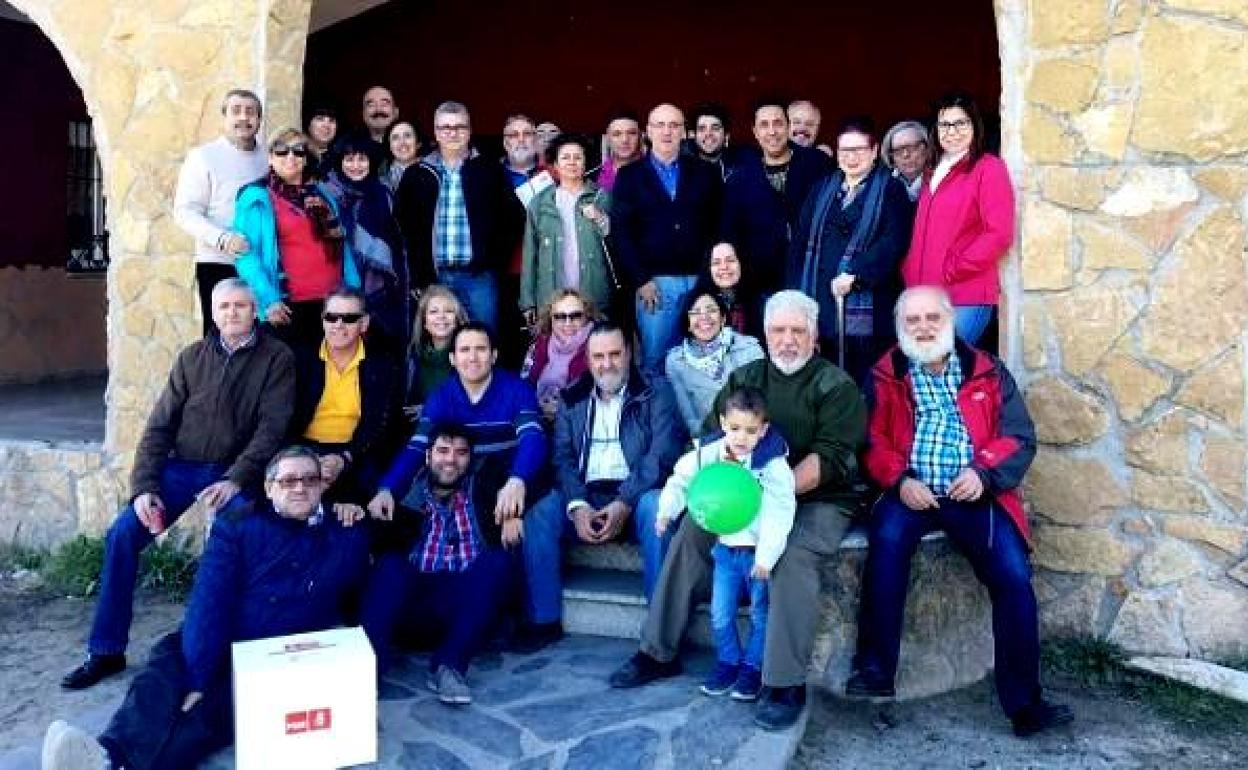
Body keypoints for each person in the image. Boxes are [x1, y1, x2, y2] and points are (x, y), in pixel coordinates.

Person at [608, 291, 866, 732]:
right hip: (743, 491)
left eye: (797, 331)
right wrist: (723, 494)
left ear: (814, 335)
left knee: (791, 555)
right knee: (692, 530)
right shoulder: (747, 377)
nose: (787, 340)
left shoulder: (835, 385)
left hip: (817, 499)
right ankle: (657, 650)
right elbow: (714, 437)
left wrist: (763, 497)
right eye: (778, 330)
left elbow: (829, 459)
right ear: (765, 334)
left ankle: (784, 682)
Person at [41, 446, 371, 770]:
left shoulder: (346, 531)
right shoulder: (238, 526)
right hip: (221, 633)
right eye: (288, 481)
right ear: (269, 488)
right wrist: (198, 676)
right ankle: (108, 752)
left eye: (310, 479)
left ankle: (113, 765)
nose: (300, 487)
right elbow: (209, 602)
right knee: (161, 676)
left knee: (206, 714)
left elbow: (370, 569)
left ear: (323, 485)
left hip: (275, 656)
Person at [850, 286, 1073, 737]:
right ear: (900, 327)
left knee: (1013, 576)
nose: (923, 327)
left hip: (973, 492)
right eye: (913, 320)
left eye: (932, 317)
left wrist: (982, 473)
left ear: (950, 320)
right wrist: (900, 480)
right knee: (886, 545)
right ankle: (875, 670)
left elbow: (1017, 436)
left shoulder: (988, 371)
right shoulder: (884, 373)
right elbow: (871, 441)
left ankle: (1025, 705)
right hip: (911, 491)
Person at [60, 279, 295, 691]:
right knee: (122, 535)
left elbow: (272, 429)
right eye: (224, 306)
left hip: (237, 473)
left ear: (255, 310)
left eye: (241, 305)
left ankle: (223, 651)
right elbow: (159, 426)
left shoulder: (277, 358)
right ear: (214, 312)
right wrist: (145, 488)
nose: (232, 313)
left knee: (233, 547)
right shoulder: (193, 357)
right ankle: (106, 650)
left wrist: (236, 478)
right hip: (181, 469)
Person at [521, 322, 686, 650]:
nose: (607, 364)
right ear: (588, 358)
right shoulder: (572, 396)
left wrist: (624, 502)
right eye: (598, 356)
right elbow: (562, 458)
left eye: (615, 354)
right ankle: (544, 621)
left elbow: (661, 456)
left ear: (629, 354)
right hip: (587, 494)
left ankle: (659, 636)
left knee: (658, 507)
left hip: (636, 495)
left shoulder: (657, 392)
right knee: (541, 512)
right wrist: (577, 505)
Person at [655, 387, 795, 702]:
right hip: (725, 552)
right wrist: (666, 512)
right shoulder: (709, 454)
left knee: (760, 614)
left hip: (757, 556)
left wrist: (767, 557)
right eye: (734, 428)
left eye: (751, 430)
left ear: (763, 430)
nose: (741, 437)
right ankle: (728, 661)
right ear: (722, 423)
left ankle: (752, 668)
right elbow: (681, 481)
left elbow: (781, 510)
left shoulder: (771, 465)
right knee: (720, 613)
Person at [361, 426, 519, 705]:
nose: (451, 460)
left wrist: (515, 512)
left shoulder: (486, 488)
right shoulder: (403, 493)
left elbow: (539, 479)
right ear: (427, 456)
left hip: (464, 603)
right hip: (414, 600)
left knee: (497, 561)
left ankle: (449, 666)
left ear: (470, 459)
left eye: (461, 453)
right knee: (390, 566)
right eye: (443, 451)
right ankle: (368, 670)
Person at [369, 322, 546, 547]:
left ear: (494, 356)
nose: (472, 357)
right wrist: (388, 488)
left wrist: (517, 480)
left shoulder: (517, 390)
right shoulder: (441, 396)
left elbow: (533, 439)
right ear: (452, 358)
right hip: (462, 482)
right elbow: (418, 446)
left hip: (508, 478)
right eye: (464, 350)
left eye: (481, 349)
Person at [791, 116, 913, 386]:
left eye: (859, 149)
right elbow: (800, 243)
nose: (851, 157)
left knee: (864, 377)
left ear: (874, 151)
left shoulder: (891, 190)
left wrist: (856, 274)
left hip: (867, 304)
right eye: (845, 150)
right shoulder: (822, 188)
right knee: (823, 376)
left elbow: (894, 241)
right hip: (821, 300)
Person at [612, 102, 723, 378]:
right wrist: (640, 279)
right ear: (648, 131)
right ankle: (658, 408)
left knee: (701, 358)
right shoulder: (629, 176)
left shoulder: (705, 172)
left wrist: (709, 277)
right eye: (659, 125)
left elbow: (718, 226)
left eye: (674, 125)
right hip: (655, 286)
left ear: (684, 132)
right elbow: (622, 232)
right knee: (656, 362)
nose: (667, 131)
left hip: (699, 281)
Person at [394, 101, 525, 331]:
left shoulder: (489, 170)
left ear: (470, 130)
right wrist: (419, 273)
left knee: (483, 338)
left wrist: (491, 261)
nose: (453, 133)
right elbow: (403, 227)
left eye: (460, 127)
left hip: (479, 279)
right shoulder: (417, 174)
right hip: (434, 278)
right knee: (437, 342)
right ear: (436, 132)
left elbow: (512, 219)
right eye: (446, 127)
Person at [902, 91, 1015, 349]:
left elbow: (999, 233)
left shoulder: (988, 168)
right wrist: (909, 270)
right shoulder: (932, 171)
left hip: (966, 294)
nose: (951, 131)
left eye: (960, 123)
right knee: (929, 367)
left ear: (975, 126)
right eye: (944, 124)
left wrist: (955, 266)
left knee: (943, 359)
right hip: (926, 296)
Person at [233, 127, 363, 352]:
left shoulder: (322, 196)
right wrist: (268, 299)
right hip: (287, 308)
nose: (290, 156)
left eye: (298, 151)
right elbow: (246, 255)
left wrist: (353, 294)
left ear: (305, 158)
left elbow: (343, 248)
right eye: (282, 151)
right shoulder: (257, 197)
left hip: (332, 307)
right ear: (270, 158)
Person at [287, 288, 404, 507]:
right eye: (331, 317)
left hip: (356, 452)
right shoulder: (300, 361)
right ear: (322, 320)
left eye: (349, 318)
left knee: (359, 507)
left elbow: (380, 424)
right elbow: (283, 418)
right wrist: (305, 458)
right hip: (303, 448)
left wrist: (345, 457)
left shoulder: (382, 365)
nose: (338, 325)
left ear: (364, 323)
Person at [172, 89, 268, 336]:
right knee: (221, 336)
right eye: (236, 111)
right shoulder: (203, 157)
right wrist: (223, 239)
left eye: (251, 112)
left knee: (261, 337)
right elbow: (185, 211)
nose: (243, 117)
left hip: (261, 264)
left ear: (259, 119)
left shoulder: (269, 158)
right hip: (218, 262)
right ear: (224, 117)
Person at [721, 99, 832, 300]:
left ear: (788, 127)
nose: (772, 131)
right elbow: (731, 233)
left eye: (778, 123)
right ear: (755, 132)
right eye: (764, 125)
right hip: (760, 287)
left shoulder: (818, 165)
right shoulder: (739, 179)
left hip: (813, 279)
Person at [324, 133, 409, 351]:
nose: (356, 165)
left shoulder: (384, 194)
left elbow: (396, 241)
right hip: (337, 281)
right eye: (349, 159)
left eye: (362, 159)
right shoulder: (326, 194)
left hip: (381, 288)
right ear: (340, 161)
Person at [520, 134, 614, 320]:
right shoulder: (540, 204)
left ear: (585, 163)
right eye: (565, 157)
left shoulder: (602, 198)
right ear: (555, 164)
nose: (572, 162)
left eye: (578, 157)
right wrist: (527, 301)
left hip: (594, 292)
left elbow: (617, 244)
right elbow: (530, 255)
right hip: (551, 295)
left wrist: (601, 218)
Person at [665, 290, 764, 438]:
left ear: (723, 318)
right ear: (687, 323)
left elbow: (763, 403)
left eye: (711, 310)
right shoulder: (675, 362)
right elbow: (689, 418)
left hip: (751, 435)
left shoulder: (750, 348)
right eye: (695, 312)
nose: (704, 317)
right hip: (708, 438)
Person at [520, 288, 597, 421]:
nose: (568, 323)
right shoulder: (538, 345)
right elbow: (523, 385)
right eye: (560, 316)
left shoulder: (598, 345)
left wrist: (561, 410)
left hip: (578, 421)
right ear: (550, 319)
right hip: (536, 417)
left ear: (587, 316)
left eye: (576, 315)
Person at [405, 285, 468, 419]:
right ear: (424, 322)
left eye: (449, 311)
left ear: (457, 320)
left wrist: (432, 409)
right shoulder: (413, 357)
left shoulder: (469, 357)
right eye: (434, 312)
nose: (441, 316)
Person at [692, 242, 763, 339]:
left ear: (741, 263)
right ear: (708, 269)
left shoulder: (760, 303)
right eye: (716, 263)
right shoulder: (694, 303)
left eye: (730, 260)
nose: (724, 267)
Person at [879, 120, 931, 202]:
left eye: (912, 147)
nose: (905, 155)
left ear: (927, 148)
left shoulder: (941, 180)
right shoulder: (883, 187)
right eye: (898, 150)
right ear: (891, 158)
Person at [593, 109, 643, 193]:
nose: (624, 140)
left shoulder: (656, 175)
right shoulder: (591, 178)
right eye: (617, 134)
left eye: (631, 133)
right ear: (608, 138)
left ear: (640, 136)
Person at [685, 102, 734, 179]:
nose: (708, 134)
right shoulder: (682, 171)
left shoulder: (744, 164)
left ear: (726, 135)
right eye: (702, 129)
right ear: (693, 135)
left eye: (715, 128)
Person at [380, 119, 425, 194]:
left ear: (418, 143)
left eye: (407, 136)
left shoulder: (434, 171)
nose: (402, 142)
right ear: (390, 146)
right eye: (395, 138)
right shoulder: (381, 179)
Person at [361, 85, 399, 162]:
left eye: (384, 104)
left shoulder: (415, 149)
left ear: (396, 112)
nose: (378, 109)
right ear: (363, 114)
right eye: (371, 105)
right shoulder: (348, 147)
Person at [304, 105, 338, 179]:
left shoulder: (340, 159)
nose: (326, 125)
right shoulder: (298, 155)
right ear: (308, 125)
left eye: (331, 120)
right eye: (320, 119)